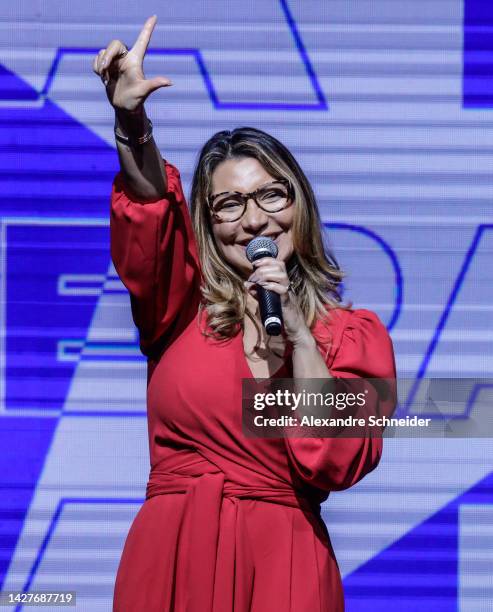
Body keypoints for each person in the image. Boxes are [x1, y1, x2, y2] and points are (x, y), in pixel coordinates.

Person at [93, 16, 397, 612]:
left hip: (283, 566)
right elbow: (152, 211)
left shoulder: (353, 336)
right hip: (172, 557)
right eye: (228, 205)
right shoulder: (177, 309)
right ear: (208, 226)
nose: (254, 220)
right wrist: (132, 124)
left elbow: (337, 458)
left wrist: (302, 336)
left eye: (270, 196)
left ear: (299, 201)